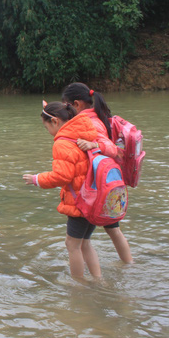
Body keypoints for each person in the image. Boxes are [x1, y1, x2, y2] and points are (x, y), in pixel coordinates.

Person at [23, 101, 102, 281]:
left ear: (55, 122)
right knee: (85, 243)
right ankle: (99, 280)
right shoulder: (87, 134)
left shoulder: (62, 143)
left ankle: (78, 286)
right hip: (95, 199)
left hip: (79, 203)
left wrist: (36, 179)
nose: (48, 132)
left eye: (46, 127)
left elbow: (62, 176)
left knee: (72, 245)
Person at [62, 82, 133, 264]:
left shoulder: (89, 122)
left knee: (78, 242)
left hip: (97, 187)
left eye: (67, 107)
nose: (66, 112)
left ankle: (84, 286)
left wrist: (95, 145)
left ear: (77, 104)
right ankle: (128, 266)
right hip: (109, 183)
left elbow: (110, 148)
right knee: (113, 231)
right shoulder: (100, 116)